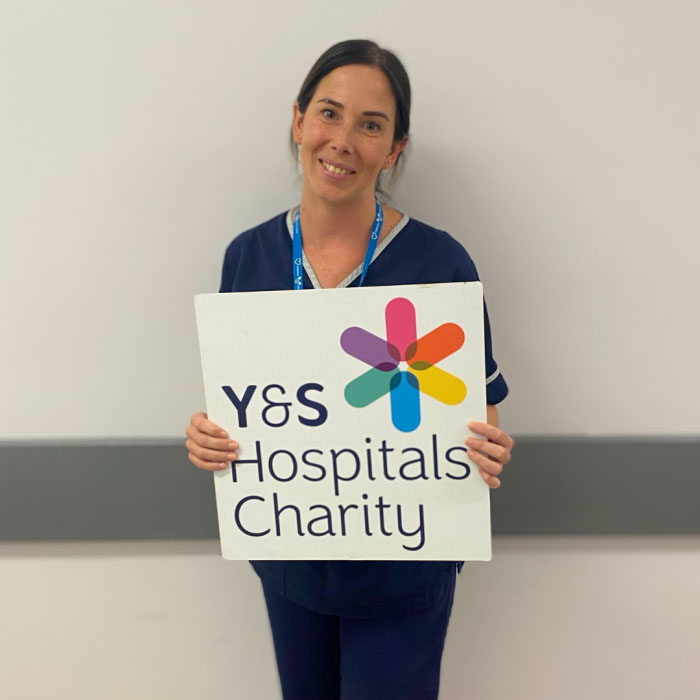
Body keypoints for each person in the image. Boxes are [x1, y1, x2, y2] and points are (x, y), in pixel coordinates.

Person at [185, 39, 515, 700]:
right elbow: (246, 407)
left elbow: (478, 414)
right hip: (292, 564)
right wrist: (207, 438)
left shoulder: (439, 265)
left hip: (405, 569)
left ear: (394, 149)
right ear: (298, 120)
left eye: (371, 125)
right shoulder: (248, 258)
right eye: (329, 114)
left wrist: (487, 448)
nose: (342, 140)